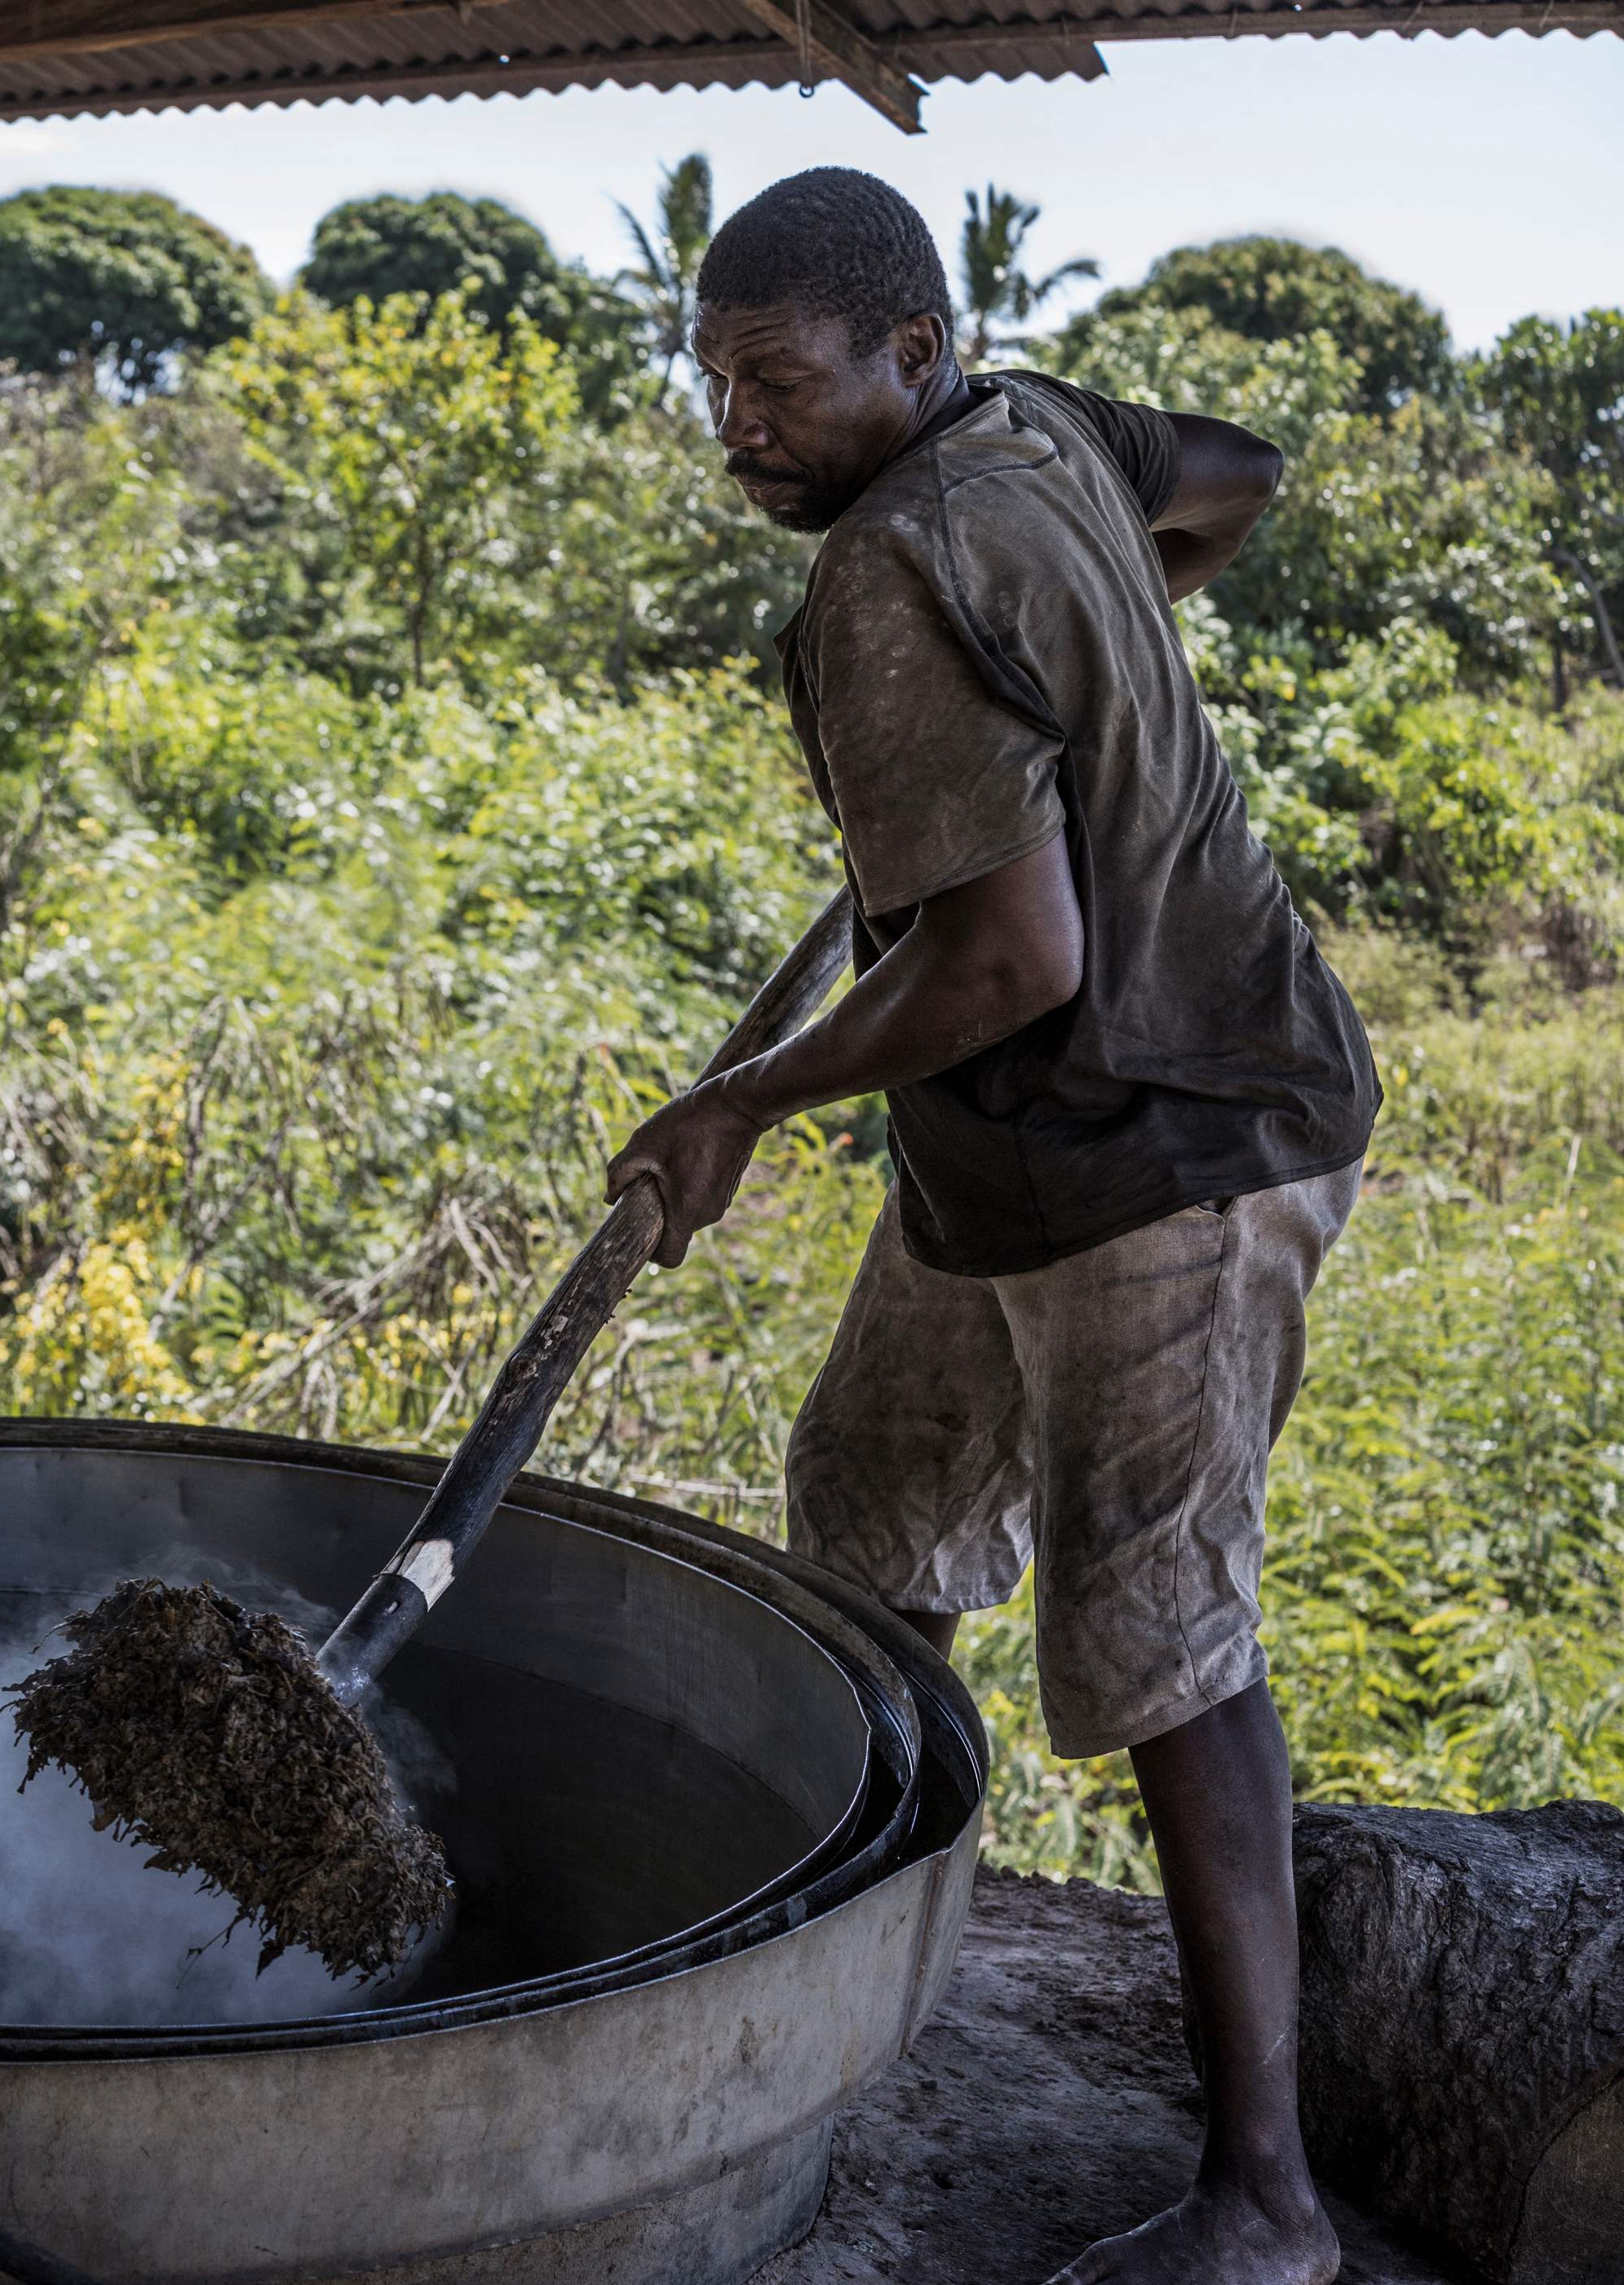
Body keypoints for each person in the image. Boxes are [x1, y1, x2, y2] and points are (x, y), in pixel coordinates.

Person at [608, 171, 1372, 2285]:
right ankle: (843, 1984)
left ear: (910, 359)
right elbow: (1226, 477)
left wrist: (741, 1101)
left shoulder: (889, 574)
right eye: (718, 382)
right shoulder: (1037, 430)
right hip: (1008, 1157)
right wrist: (1094, 662)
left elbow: (1008, 961)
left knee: (1160, 1643)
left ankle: (1271, 2208)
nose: (737, 424)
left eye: (775, 381)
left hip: (1175, 1141)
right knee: (870, 1520)